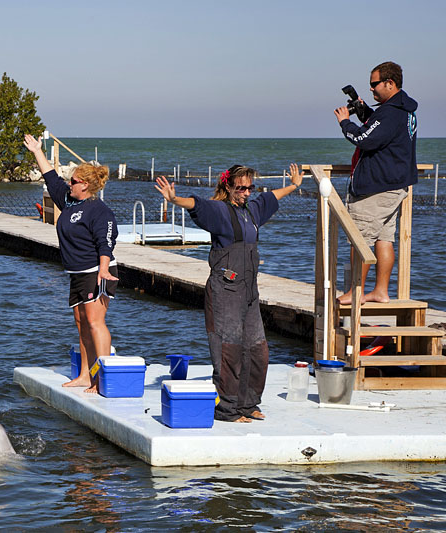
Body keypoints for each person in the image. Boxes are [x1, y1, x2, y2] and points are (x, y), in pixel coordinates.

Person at [155, 164, 303, 423]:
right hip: (225, 292)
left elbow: (271, 198)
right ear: (228, 187)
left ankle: (248, 404)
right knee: (228, 350)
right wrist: (173, 199)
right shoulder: (220, 211)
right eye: (241, 188)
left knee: (258, 350)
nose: (246, 193)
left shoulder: (253, 211)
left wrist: (293, 185)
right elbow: (196, 204)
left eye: (250, 188)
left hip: (249, 293)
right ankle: (227, 410)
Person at [23, 134, 118, 394]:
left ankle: (103, 379)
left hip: (96, 271)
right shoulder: (69, 201)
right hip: (77, 273)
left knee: (95, 322)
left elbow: (106, 240)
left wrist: (103, 268)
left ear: (85, 185)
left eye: (74, 181)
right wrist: (37, 152)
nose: (69, 183)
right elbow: (51, 178)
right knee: (81, 322)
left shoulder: (99, 210)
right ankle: (86, 375)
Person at [334, 61, 418, 305]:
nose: (371, 90)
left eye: (374, 84)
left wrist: (345, 122)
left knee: (359, 239)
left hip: (376, 189)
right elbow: (379, 130)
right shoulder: (401, 110)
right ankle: (380, 291)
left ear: (390, 83)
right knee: (383, 239)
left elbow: (364, 139)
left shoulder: (390, 113)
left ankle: (354, 293)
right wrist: (364, 111)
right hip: (393, 186)